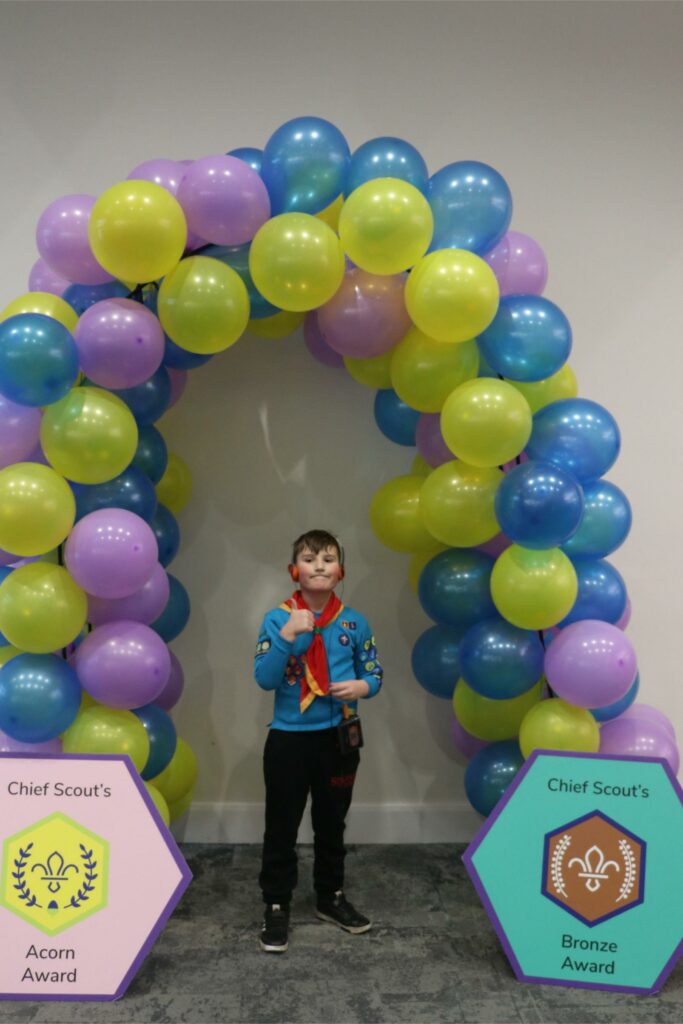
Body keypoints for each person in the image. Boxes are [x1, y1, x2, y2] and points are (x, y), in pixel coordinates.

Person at [254, 529, 383, 953]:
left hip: (337, 739)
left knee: (332, 822)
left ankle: (330, 896)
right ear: (294, 570)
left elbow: (374, 671)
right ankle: (276, 903)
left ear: (341, 571)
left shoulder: (354, 622)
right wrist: (288, 635)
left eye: (328, 559)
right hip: (288, 740)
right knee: (281, 824)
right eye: (309, 559)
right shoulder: (278, 619)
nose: (319, 566)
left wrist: (363, 687)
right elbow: (265, 679)